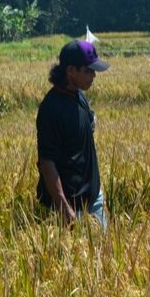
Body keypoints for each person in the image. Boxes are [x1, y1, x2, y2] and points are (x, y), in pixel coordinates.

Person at [36, 40, 110, 228]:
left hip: (94, 199)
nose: (94, 75)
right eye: (88, 71)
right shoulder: (51, 109)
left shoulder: (79, 95)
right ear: (70, 71)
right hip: (71, 207)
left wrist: (91, 121)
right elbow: (47, 162)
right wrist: (64, 208)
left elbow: (86, 120)